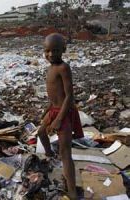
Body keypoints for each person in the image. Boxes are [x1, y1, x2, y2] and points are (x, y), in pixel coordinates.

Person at [37, 33, 84, 200]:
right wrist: (48, 110)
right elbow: (54, 95)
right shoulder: (50, 68)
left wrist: (58, 119)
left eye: (55, 51)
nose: (50, 54)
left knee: (65, 153)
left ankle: (72, 191)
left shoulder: (64, 68)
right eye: (47, 51)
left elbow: (69, 96)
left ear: (63, 50)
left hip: (64, 111)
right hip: (54, 109)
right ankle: (49, 154)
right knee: (41, 132)